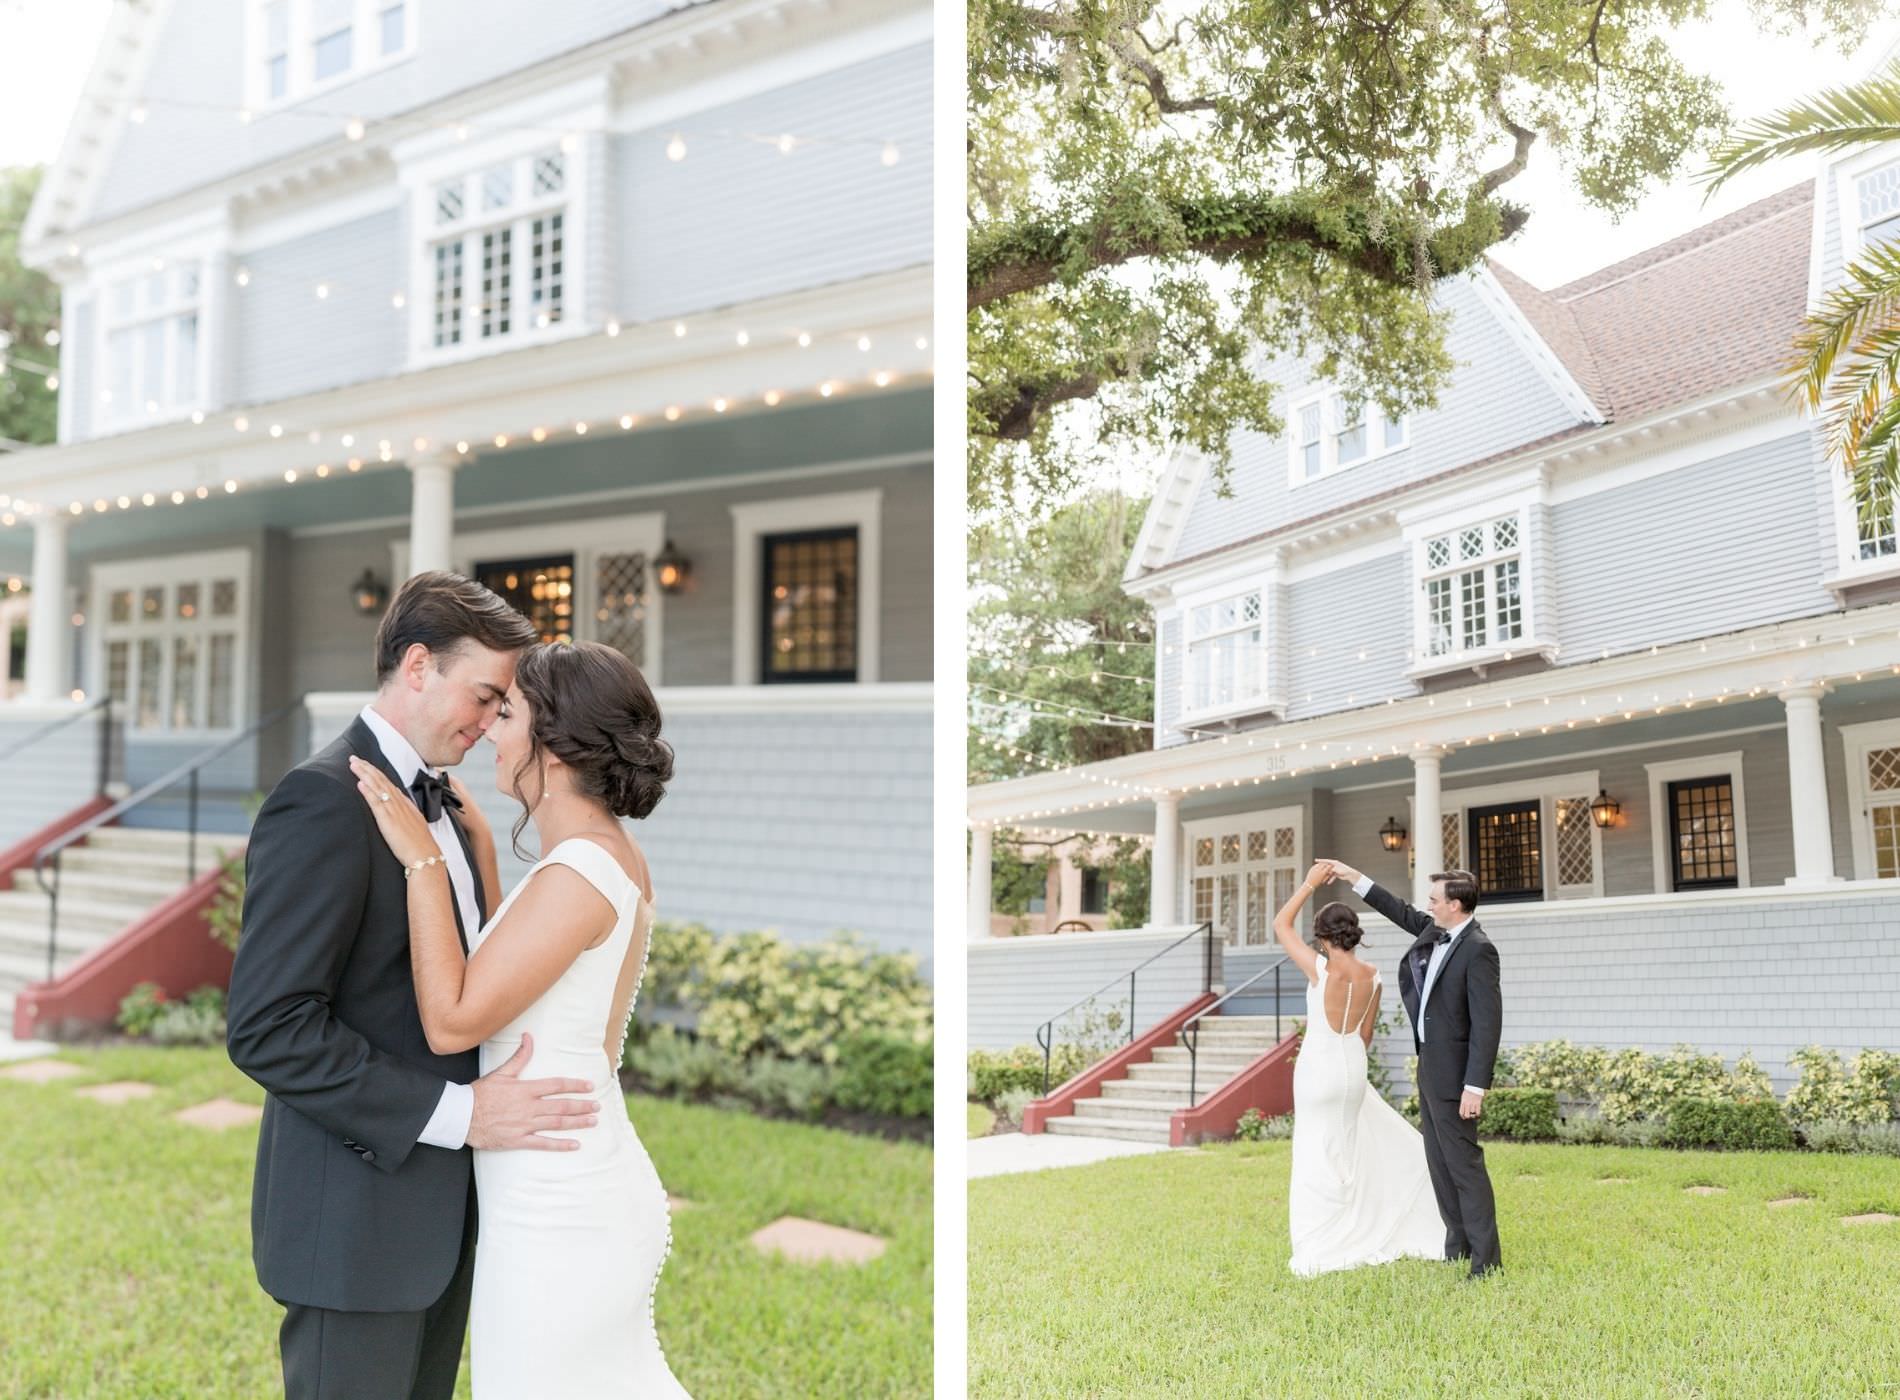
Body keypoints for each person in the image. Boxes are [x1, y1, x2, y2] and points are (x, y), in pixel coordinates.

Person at [228, 570, 600, 1399]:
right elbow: (269, 1026)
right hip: (353, 1231)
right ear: (420, 666)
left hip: (444, 1228)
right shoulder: (320, 802)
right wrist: (465, 1116)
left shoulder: (455, 812)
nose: (492, 722)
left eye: (502, 707)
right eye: (485, 696)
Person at [349, 637, 687, 1396]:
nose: (492, 732)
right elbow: (526, 979)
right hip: (562, 1178)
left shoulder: (579, 872)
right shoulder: (597, 857)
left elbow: (454, 1020)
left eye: (511, 715)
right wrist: (485, 862)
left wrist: (424, 865)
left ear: (554, 744)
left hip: (559, 1205)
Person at [1327, 860, 1504, 1279]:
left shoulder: (1479, 949)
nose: (1428, 905)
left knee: (1464, 1165)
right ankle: (1457, 1245)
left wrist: (1475, 1085)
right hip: (1430, 1067)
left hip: (1458, 1076)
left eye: (1434, 899)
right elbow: (1401, 911)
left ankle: (1486, 1261)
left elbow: (1487, 1023)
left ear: (1456, 905)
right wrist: (1356, 878)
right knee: (1438, 1161)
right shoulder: (1436, 931)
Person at [1273, 862, 1444, 1277]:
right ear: (1352, 933)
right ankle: (1358, 1220)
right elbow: (1365, 1034)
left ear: (1322, 936)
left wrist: (1310, 884)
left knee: (1317, 1151)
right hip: (1353, 1065)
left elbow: (1281, 924)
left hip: (1319, 1066)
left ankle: (1324, 1239)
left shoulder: (1322, 968)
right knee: (1349, 1146)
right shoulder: (1374, 976)